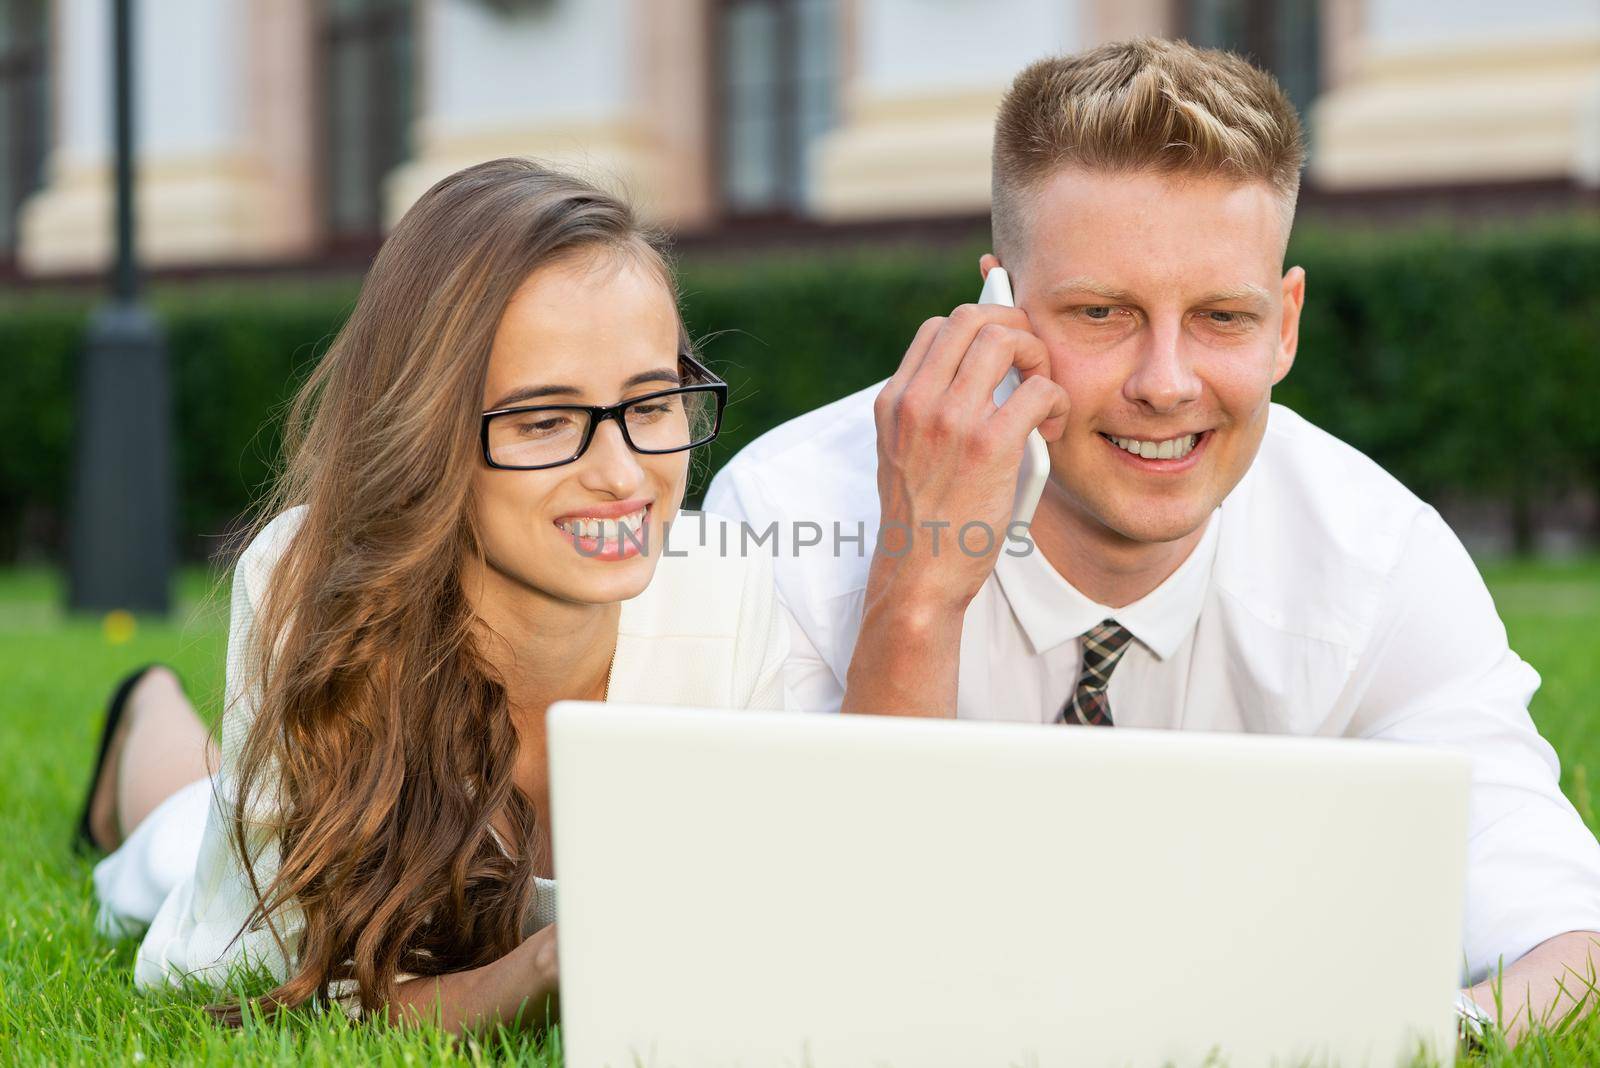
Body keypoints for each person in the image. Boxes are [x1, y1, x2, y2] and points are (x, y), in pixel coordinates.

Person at [705, 37, 1600, 1042]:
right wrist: (916, 591)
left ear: (1286, 324)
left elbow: (1569, 945)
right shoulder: (787, 514)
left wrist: (1401, 1043)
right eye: (1103, 313)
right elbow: (801, 965)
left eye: (1221, 316)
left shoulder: (1376, 558)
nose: (1166, 382)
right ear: (996, 306)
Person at [77, 158, 788, 1031]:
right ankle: (141, 712)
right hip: (212, 852)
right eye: (543, 421)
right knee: (171, 839)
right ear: (429, 432)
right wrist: (537, 972)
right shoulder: (315, 581)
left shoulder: (734, 591)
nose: (621, 474)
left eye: (650, 405)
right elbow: (283, 998)